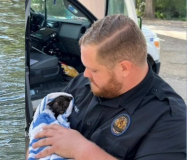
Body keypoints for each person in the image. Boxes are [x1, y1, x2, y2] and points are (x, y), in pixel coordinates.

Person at [30, 15, 186, 160]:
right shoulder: (83, 83)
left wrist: (81, 149)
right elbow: (43, 129)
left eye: (94, 69)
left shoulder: (168, 118)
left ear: (124, 68)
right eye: (86, 67)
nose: (85, 75)